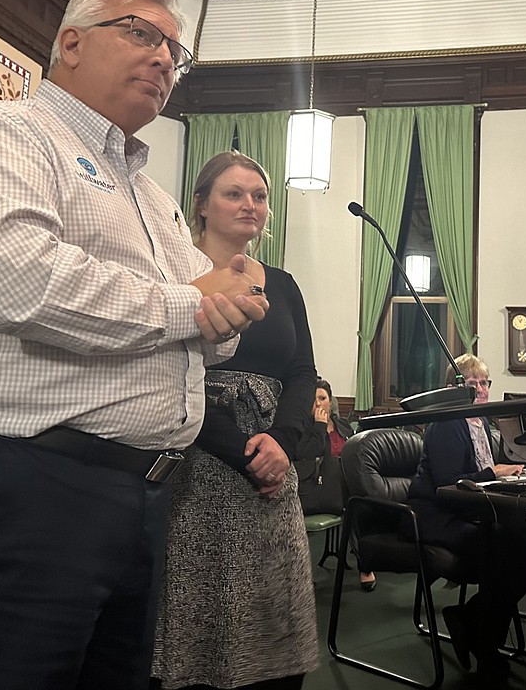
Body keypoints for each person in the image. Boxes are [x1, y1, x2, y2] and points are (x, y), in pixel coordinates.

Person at [0, 0, 268, 690]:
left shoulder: (154, 199)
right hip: (17, 483)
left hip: (144, 497)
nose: (164, 58)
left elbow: (207, 327)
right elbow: (24, 285)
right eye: (141, 33)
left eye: (175, 52)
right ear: (70, 42)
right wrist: (196, 304)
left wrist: (228, 312)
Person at [151, 150, 318, 690]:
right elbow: (172, 372)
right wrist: (248, 453)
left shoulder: (284, 284)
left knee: (273, 620)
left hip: (275, 462)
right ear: (200, 205)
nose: (250, 204)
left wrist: (283, 446)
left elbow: (302, 372)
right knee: (201, 618)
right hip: (198, 463)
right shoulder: (175, 274)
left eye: (260, 195)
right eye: (234, 193)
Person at [406, 354, 526, 686]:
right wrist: (495, 472)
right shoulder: (447, 421)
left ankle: (471, 619)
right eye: (471, 383)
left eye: (484, 382)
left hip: (470, 512)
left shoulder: (483, 424)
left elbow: (483, 481)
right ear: (453, 389)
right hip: (438, 515)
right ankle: (485, 645)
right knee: (507, 551)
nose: (480, 389)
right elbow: (448, 484)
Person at [308, 379, 376, 591]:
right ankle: (366, 567)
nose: (319, 404)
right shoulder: (306, 429)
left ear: (330, 401)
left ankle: (376, 554)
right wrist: (319, 427)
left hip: (348, 480)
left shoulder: (342, 425)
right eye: (314, 400)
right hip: (322, 486)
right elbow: (308, 456)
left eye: (323, 398)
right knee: (357, 502)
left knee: (366, 496)